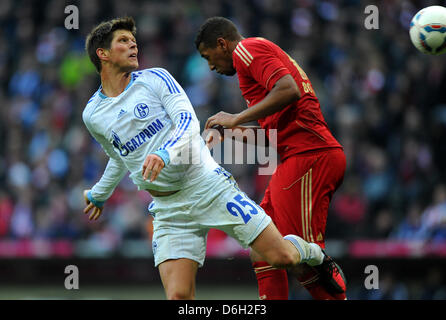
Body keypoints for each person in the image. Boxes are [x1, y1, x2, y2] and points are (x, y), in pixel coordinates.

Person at [82, 16, 329, 300]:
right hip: (168, 208)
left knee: (282, 257)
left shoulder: (155, 79)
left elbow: (188, 123)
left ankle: (314, 253)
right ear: (103, 54)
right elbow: (119, 156)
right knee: (179, 298)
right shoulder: (93, 115)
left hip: (206, 185)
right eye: (123, 41)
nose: (133, 45)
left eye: (133, 40)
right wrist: (100, 194)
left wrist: (165, 153)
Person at [195, 16, 347, 300]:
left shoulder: (246, 50)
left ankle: (318, 258)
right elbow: (275, 137)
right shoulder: (252, 62)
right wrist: (233, 131)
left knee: (297, 254)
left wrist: (236, 117)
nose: (211, 66)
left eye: (209, 57)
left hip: (310, 158)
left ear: (222, 44)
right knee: (263, 245)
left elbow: (289, 90)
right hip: (297, 157)